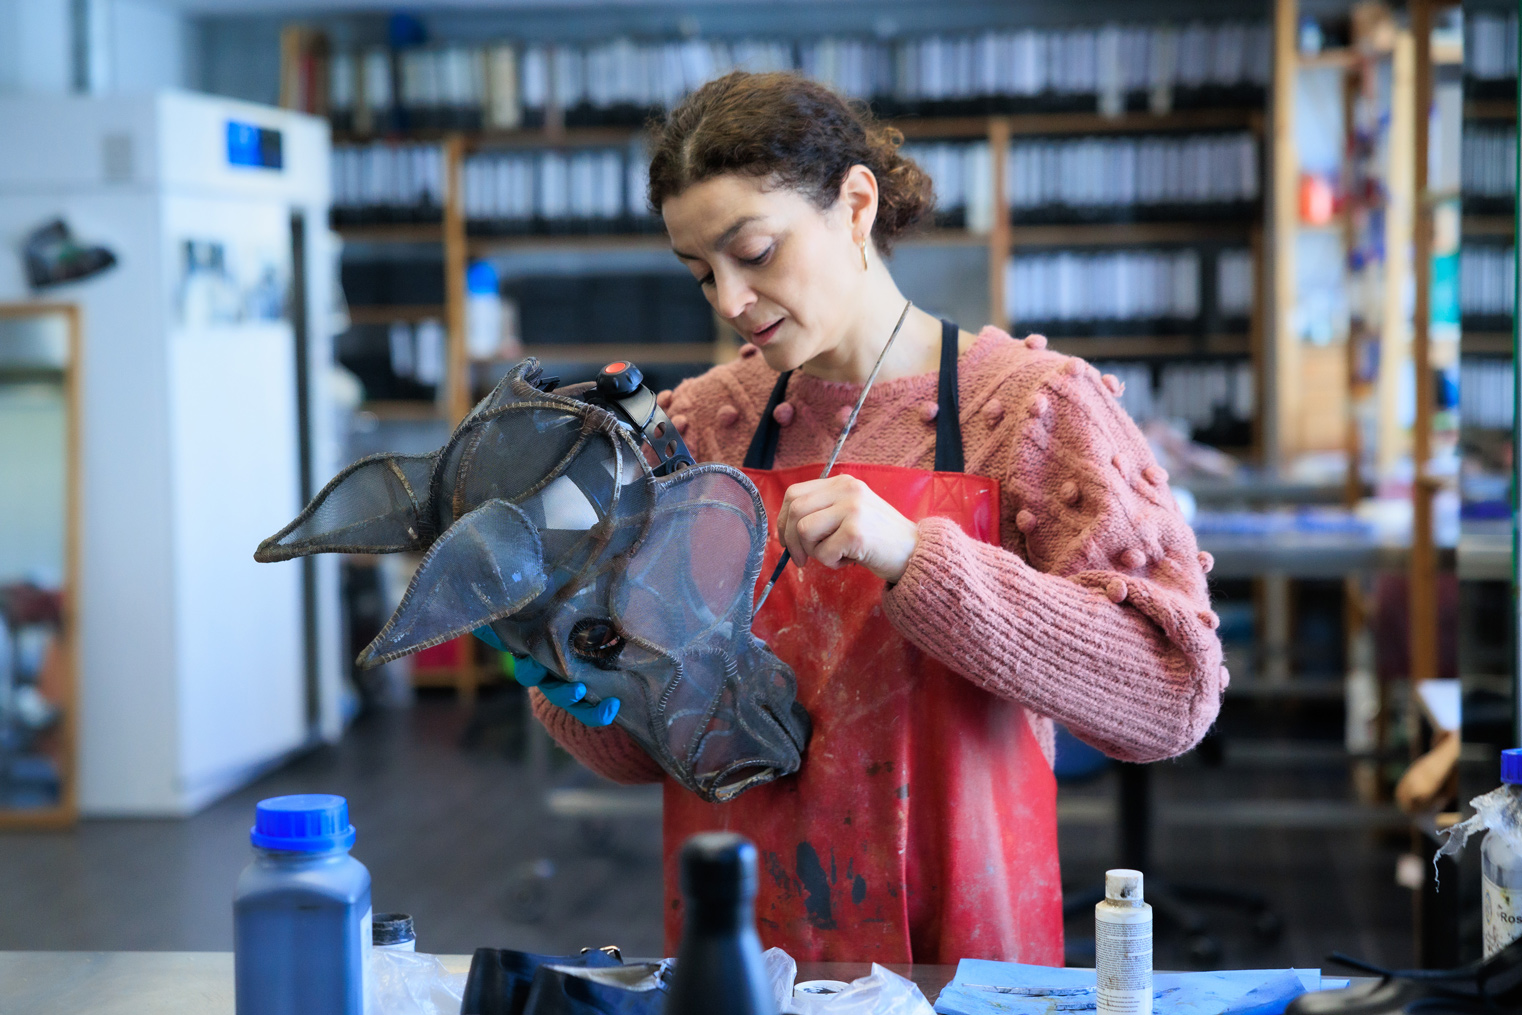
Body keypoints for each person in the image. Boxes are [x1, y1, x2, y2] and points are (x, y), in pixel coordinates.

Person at [520, 71, 1226, 965]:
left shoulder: (1031, 410)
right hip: (748, 947)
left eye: (758, 251)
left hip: (960, 953)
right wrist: (567, 656)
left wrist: (914, 556)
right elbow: (638, 755)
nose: (731, 300)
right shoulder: (696, 431)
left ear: (856, 204)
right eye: (703, 274)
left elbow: (1173, 696)